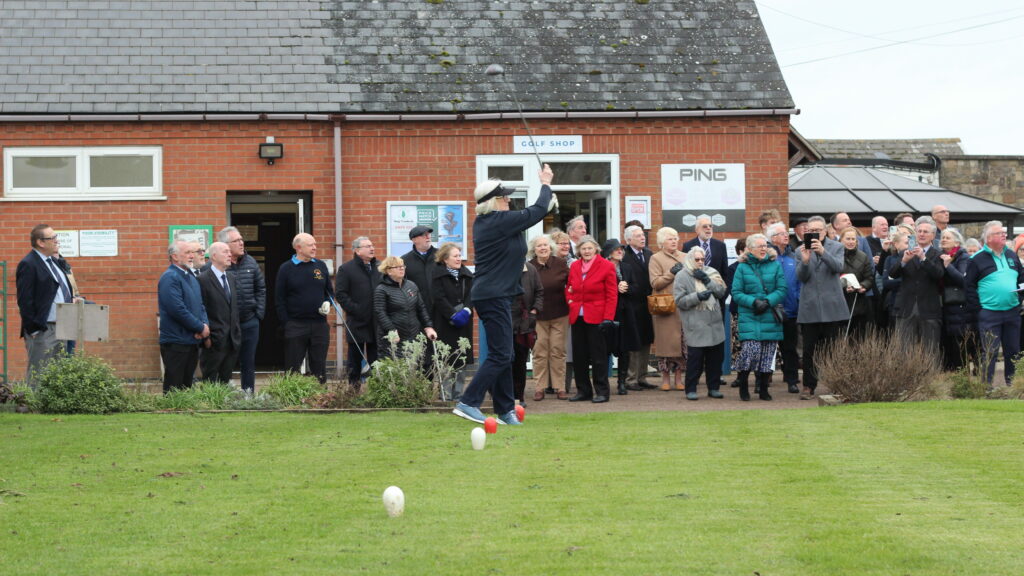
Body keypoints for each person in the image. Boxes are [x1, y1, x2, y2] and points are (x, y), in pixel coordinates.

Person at [452, 164, 555, 425]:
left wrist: (547, 200)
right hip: (493, 296)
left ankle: (506, 409)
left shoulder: (500, 223)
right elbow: (536, 212)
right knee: (500, 355)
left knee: (505, 354)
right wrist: (545, 184)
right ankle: (468, 401)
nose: (509, 199)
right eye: (504, 196)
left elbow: (536, 212)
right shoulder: (495, 221)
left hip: (501, 295)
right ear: (491, 202)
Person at [17, 225, 83, 386]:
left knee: (58, 372)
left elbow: (59, 290)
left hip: (62, 325)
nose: (56, 241)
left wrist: (72, 299)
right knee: (40, 372)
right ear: (40, 242)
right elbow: (25, 299)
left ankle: (52, 408)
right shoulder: (29, 263)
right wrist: (33, 328)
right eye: (52, 238)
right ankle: (34, 407)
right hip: (43, 329)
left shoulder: (53, 262)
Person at [966, 221, 1024, 387]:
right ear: (989, 238)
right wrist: (980, 310)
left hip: (1012, 311)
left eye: (1004, 233)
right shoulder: (976, 259)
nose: (1004, 235)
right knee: (990, 351)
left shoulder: (1012, 255)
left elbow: (1021, 278)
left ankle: (1013, 385)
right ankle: (986, 387)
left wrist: (1018, 299)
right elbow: (969, 288)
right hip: (989, 313)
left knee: (1013, 350)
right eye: (1000, 233)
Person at [796, 216, 848, 399]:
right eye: (810, 231)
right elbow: (801, 278)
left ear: (825, 231)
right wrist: (804, 261)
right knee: (809, 350)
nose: (814, 234)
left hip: (832, 308)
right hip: (810, 308)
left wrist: (823, 252)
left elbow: (838, 267)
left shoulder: (837, 247)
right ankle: (809, 386)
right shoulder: (800, 249)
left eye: (817, 230)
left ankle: (836, 384)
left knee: (833, 350)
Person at [731, 234, 787, 401]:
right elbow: (736, 293)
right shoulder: (742, 267)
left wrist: (768, 301)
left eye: (765, 245)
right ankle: (743, 383)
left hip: (769, 314)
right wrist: (754, 301)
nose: (763, 248)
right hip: (750, 315)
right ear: (749, 249)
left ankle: (763, 388)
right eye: (759, 246)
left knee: (767, 354)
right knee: (751, 351)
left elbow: (782, 289)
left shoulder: (775, 265)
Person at [565, 236, 618, 403]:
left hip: (598, 317)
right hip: (577, 316)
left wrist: (608, 318)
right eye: (583, 248)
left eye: (589, 248)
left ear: (596, 249)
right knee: (579, 356)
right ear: (579, 250)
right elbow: (569, 287)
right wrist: (570, 301)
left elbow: (612, 294)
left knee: (598, 357)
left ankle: (602, 391)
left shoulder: (607, 266)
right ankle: (583, 391)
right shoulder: (574, 265)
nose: (586, 251)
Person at [275, 233, 333, 384]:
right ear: (298, 248)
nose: (314, 247)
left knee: (319, 366)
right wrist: (287, 323)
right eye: (310, 245)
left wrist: (328, 303)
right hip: (296, 324)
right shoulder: (286, 268)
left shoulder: (320, 266)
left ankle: (321, 401)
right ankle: (291, 400)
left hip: (320, 324)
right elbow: (279, 299)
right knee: (293, 367)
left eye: (315, 244)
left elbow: (329, 293)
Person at [674, 246, 727, 400]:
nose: (700, 262)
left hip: (714, 323)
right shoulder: (682, 276)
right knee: (695, 361)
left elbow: (721, 292)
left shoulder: (711, 272)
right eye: (697, 259)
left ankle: (713, 388)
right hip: (696, 324)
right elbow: (679, 301)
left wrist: (707, 280)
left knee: (715, 360)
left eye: (702, 259)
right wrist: (697, 297)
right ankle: (691, 389)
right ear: (690, 259)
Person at [219, 226, 266, 393]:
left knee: (248, 361)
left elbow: (261, 288)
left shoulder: (251, 262)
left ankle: (249, 394)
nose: (241, 243)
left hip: (249, 321)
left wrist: (258, 314)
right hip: (226, 324)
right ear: (225, 244)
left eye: (241, 240)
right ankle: (224, 395)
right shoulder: (218, 265)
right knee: (226, 360)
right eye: (236, 241)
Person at [158, 240, 209, 392]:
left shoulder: (191, 277)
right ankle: (171, 413)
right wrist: (200, 326)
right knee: (174, 386)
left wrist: (204, 326)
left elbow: (200, 306)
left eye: (192, 252)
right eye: (187, 253)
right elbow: (177, 309)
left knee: (187, 385)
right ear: (174, 256)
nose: (192, 256)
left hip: (192, 340)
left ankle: (184, 414)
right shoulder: (170, 277)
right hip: (176, 341)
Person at [335, 236, 382, 391]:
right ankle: (353, 391)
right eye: (367, 246)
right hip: (357, 321)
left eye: (372, 245)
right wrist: (356, 309)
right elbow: (341, 294)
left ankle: (377, 391)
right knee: (355, 359)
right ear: (357, 250)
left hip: (377, 322)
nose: (372, 248)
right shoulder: (346, 269)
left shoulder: (380, 267)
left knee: (377, 359)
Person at [888, 219, 943, 349]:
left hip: (929, 308)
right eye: (919, 231)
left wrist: (923, 258)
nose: (922, 234)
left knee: (930, 350)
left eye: (925, 232)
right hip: (907, 306)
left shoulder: (937, 254)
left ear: (933, 236)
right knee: (904, 349)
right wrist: (904, 261)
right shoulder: (905, 252)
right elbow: (892, 274)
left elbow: (939, 274)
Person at [528, 235, 569, 401]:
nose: (543, 248)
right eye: (539, 246)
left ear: (550, 247)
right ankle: (540, 387)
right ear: (534, 249)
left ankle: (560, 387)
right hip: (538, 316)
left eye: (545, 245)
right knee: (539, 352)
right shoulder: (529, 266)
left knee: (558, 351)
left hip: (560, 314)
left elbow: (571, 284)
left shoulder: (560, 264)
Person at [431, 243, 474, 400]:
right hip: (445, 324)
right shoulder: (437, 275)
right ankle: (446, 394)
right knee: (447, 358)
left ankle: (458, 395)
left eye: (459, 255)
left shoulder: (466, 274)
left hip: (464, 323)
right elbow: (438, 297)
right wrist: (452, 315)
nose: (458, 259)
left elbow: (472, 295)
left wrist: (467, 311)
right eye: (455, 256)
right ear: (445, 259)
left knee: (461, 360)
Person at [373, 255, 437, 357]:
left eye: (403, 266)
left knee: (414, 366)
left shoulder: (411, 285)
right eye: (397, 267)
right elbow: (380, 312)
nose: (402, 268)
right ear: (389, 271)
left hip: (413, 335)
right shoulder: (381, 289)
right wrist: (391, 330)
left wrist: (428, 326)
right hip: (394, 337)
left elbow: (421, 308)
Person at [649, 226, 688, 391]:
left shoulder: (686, 257)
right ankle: (665, 379)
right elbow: (655, 283)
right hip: (665, 308)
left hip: (683, 307)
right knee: (665, 346)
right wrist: (671, 273)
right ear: (661, 242)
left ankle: (679, 379)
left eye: (675, 238)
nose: (674, 241)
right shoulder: (655, 259)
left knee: (682, 345)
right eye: (670, 238)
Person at [197, 242, 241, 384]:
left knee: (225, 381)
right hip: (213, 341)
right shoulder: (202, 279)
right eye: (225, 252)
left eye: (230, 251)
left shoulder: (231, 278)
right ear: (214, 256)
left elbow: (233, 309)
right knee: (210, 382)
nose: (230, 254)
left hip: (232, 340)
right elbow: (200, 309)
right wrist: (206, 339)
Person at [602, 238, 640, 395]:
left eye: (621, 249)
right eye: (617, 249)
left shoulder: (627, 267)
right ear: (609, 252)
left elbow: (637, 287)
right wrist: (615, 288)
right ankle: (602, 383)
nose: (620, 251)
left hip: (625, 313)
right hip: (607, 313)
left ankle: (621, 383)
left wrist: (627, 288)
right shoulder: (602, 266)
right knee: (605, 349)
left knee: (624, 349)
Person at [620, 224, 656, 391]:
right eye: (638, 236)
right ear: (628, 240)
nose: (643, 238)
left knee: (646, 340)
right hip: (631, 304)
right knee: (633, 342)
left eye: (643, 235)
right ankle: (631, 378)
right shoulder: (624, 256)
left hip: (647, 304)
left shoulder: (649, 254)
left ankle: (642, 376)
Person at [768, 223, 802, 393]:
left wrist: (798, 299)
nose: (786, 236)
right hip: (770, 310)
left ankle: (792, 380)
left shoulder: (794, 256)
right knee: (767, 347)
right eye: (781, 233)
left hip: (790, 310)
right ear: (773, 238)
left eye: (786, 233)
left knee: (789, 348)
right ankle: (763, 380)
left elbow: (800, 282)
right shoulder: (766, 257)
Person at [938, 229, 976, 372]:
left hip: (959, 308)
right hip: (944, 306)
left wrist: (948, 266)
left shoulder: (963, 257)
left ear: (957, 242)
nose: (943, 240)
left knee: (959, 346)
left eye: (947, 237)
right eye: (942, 237)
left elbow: (963, 280)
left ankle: (961, 376)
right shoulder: (941, 255)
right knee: (948, 346)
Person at [511, 261, 543, 405]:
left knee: (520, 362)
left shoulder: (530, 269)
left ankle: (519, 397)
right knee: (504, 361)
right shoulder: (499, 267)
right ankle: (504, 395)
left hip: (524, 323)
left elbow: (539, 292)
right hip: (505, 322)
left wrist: (534, 311)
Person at [549, 229, 576, 396]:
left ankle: (563, 385)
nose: (566, 246)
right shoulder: (547, 263)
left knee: (567, 348)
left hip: (569, 309)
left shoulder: (574, 263)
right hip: (551, 309)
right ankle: (549, 384)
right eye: (562, 243)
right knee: (550, 347)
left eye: (567, 243)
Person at [838, 227, 874, 339]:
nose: (851, 241)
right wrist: (843, 287)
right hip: (840, 301)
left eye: (853, 239)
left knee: (857, 337)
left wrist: (863, 286)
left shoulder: (863, 256)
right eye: (848, 239)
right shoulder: (835, 255)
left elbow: (869, 277)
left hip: (858, 302)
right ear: (841, 240)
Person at [402, 225, 438, 308]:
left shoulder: (442, 255)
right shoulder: (404, 260)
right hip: (418, 308)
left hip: (441, 307)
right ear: (414, 240)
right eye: (423, 235)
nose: (428, 237)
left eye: (428, 234)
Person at [881, 229, 909, 328]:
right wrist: (906, 281)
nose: (909, 245)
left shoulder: (917, 258)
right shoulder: (890, 259)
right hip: (896, 302)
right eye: (906, 243)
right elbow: (886, 283)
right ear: (896, 245)